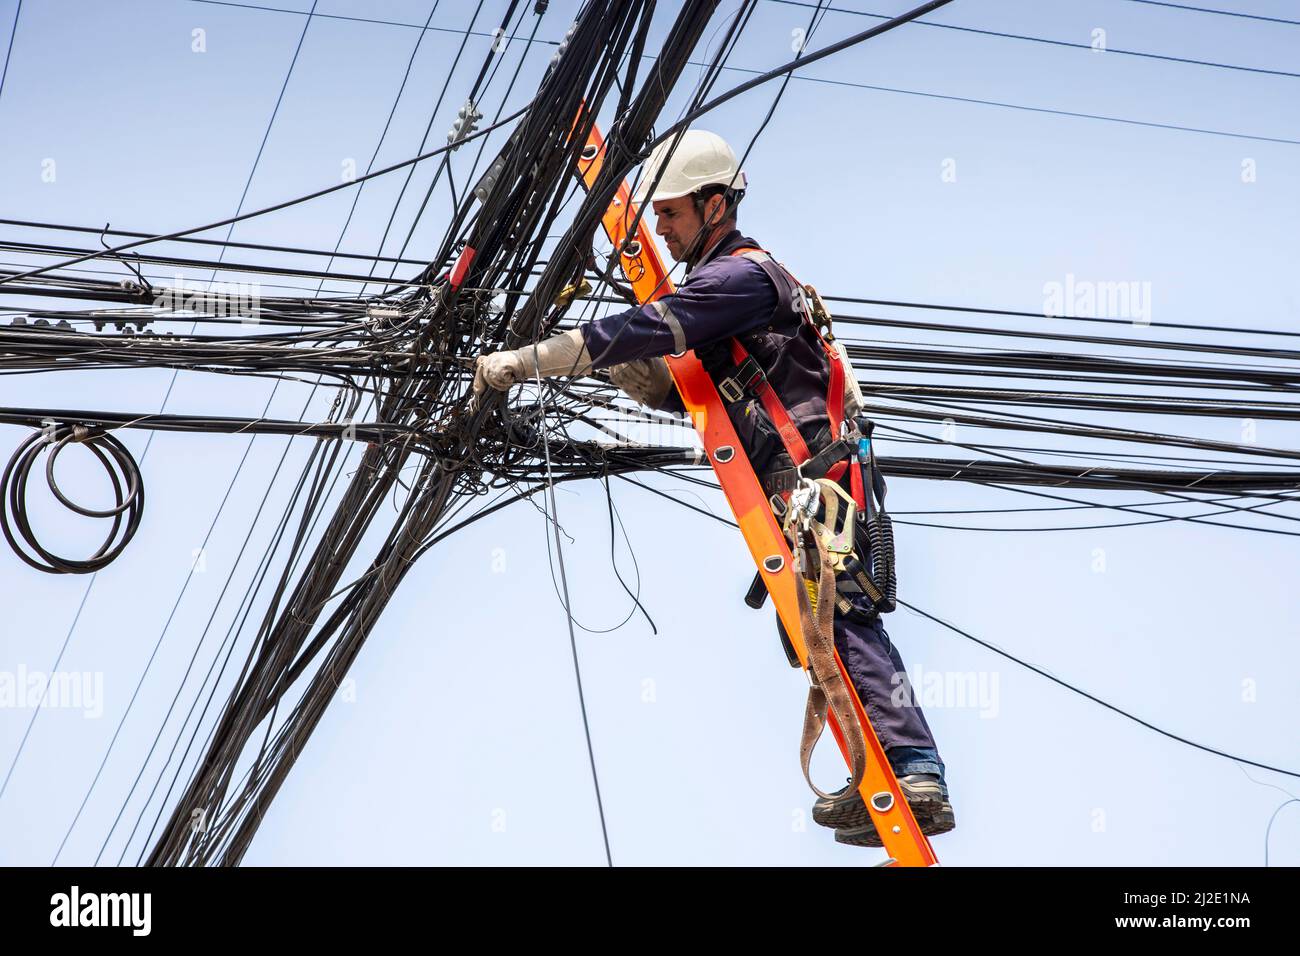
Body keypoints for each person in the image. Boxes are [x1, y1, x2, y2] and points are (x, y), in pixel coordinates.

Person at [473, 130, 954, 846]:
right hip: (795, 480)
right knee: (816, 632)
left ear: (715, 205)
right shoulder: (722, 293)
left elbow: (654, 326)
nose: (659, 231)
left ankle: (914, 773)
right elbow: (687, 385)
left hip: (816, 478)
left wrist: (532, 360)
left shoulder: (741, 278)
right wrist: (598, 362)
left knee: (841, 619)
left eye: (669, 214)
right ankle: (879, 771)